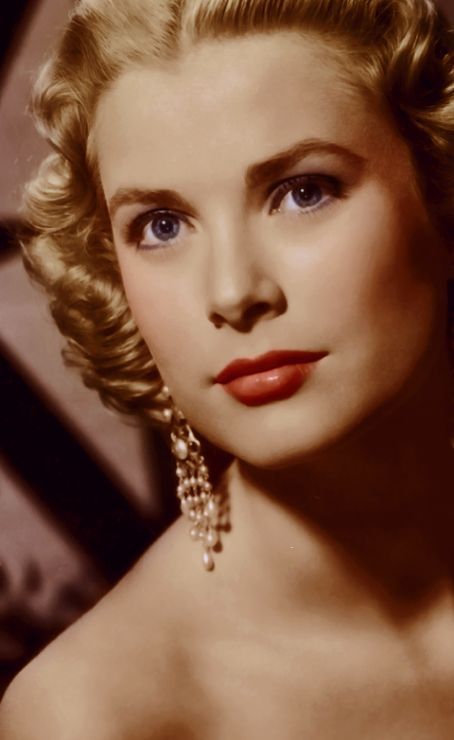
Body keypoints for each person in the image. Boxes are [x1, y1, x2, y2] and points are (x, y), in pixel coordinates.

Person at [1, 0, 453, 736]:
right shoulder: (95, 713)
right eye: (161, 226)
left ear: (440, 185)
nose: (235, 291)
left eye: (303, 191)